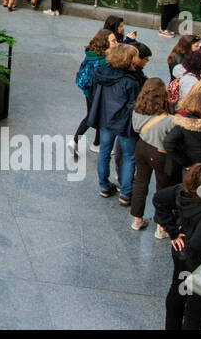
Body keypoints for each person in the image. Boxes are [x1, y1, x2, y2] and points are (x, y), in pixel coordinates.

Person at [154, 162, 201, 329]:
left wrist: (173, 232)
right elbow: (197, 246)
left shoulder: (181, 192)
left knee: (177, 297)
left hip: (182, 261)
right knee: (196, 312)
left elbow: (159, 199)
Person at [90, 43, 144, 205]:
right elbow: (134, 105)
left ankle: (104, 186)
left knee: (104, 152)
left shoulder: (102, 73)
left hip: (105, 118)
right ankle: (126, 193)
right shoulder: (131, 81)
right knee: (129, 157)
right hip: (124, 122)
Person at [130, 77, 175, 234]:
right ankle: (161, 227)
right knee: (162, 187)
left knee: (140, 182)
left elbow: (136, 129)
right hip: (160, 152)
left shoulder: (137, 109)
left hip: (141, 147)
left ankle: (137, 220)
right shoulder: (170, 119)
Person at [70, 29, 117, 158]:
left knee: (94, 115)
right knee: (93, 116)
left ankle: (96, 143)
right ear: (105, 43)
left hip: (88, 90)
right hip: (98, 92)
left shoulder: (91, 53)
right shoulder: (104, 61)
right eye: (113, 41)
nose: (116, 43)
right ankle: (76, 140)